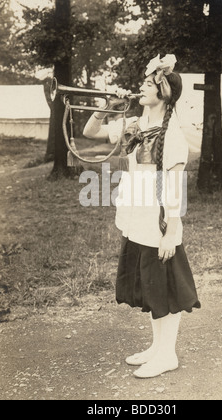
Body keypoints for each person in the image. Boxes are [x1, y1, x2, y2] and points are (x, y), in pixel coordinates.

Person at [84, 54, 201, 379]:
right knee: (151, 288)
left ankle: (168, 355)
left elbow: (175, 188)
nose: (141, 87)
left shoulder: (172, 134)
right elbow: (90, 131)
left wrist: (170, 233)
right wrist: (106, 104)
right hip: (137, 217)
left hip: (158, 222)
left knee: (165, 289)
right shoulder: (134, 124)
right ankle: (156, 348)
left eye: (148, 84)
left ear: (163, 92)